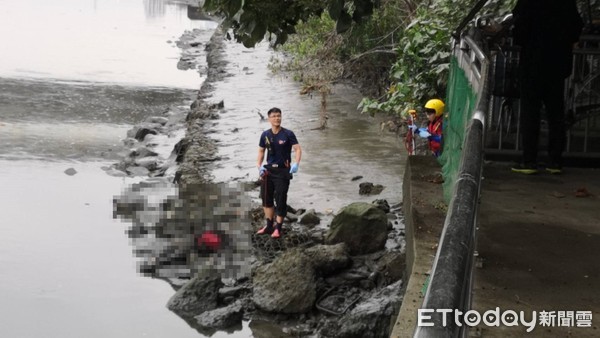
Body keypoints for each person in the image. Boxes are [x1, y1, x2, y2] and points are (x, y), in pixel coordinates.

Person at [511, 0, 583, 175]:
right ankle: (555, 161)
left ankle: (529, 160)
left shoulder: (528, 4)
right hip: (557, 64)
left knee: (530, 113)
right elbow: (576, 28)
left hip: (532, 64)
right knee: (556, 113)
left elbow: (519, 31)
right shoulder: (566, 3)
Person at [256, 107, 302, 238]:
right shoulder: (265, 135)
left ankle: (278, 228)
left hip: (283, 171)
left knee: (281, 199)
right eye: (274, 116)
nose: (277, 118)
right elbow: (261, 151)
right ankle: (269, 226)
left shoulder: (288, 134)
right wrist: (259, 166)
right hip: (268, 171)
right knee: (266, 199)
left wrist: (296, 164)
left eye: (279, 116)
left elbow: (298, 149)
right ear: (269, 118)